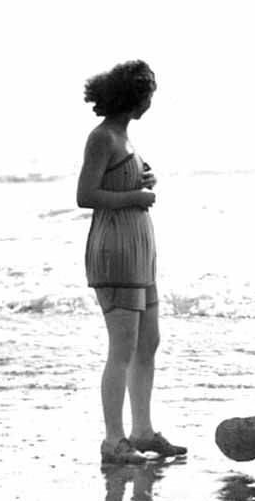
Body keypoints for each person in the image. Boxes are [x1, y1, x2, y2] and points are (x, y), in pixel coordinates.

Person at [77, 60, 186, 463]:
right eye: (148, 95)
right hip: (114, 250)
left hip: (139, 251)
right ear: (132, 97)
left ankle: (142, 432)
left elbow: (114, 180)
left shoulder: (123, 136)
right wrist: (134, 198)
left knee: (148, 342)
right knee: (121, 347)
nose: (151, 103)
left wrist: (142, 180)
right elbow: (85, 195)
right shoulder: (102, 137)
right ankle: (113, 440)